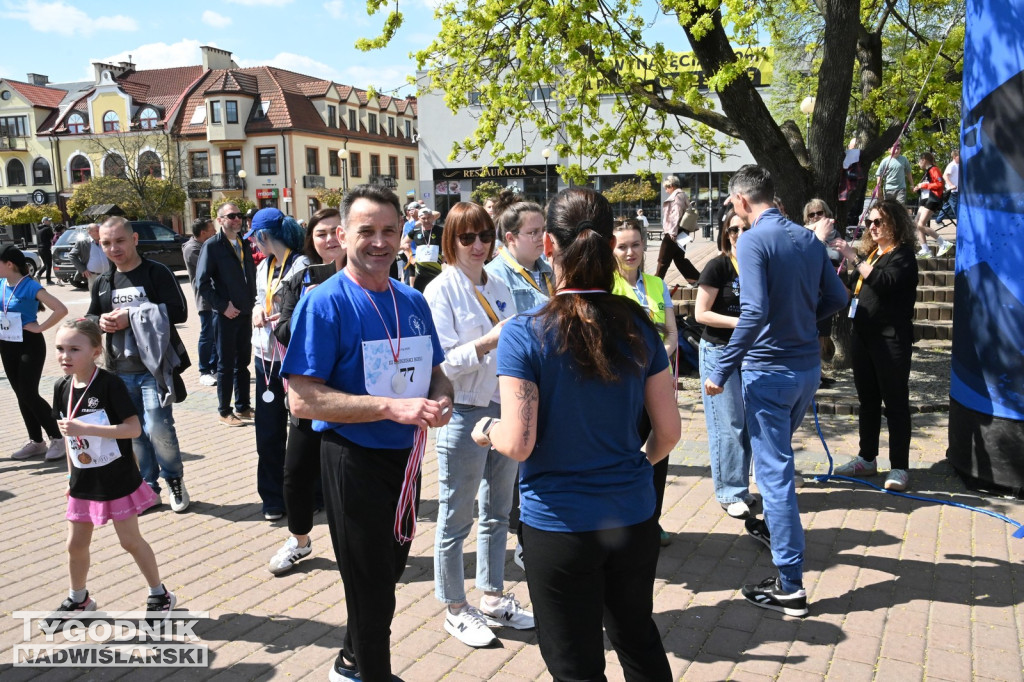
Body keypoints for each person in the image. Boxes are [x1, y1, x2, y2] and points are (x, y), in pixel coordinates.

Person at [475, 187, 679, 681]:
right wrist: (633, 466)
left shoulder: (524, 332)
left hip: (559, 525)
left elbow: (518, 441)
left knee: (575, 665)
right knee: (638, 639)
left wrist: (485, 431)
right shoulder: (639, 325)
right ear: (611, 247)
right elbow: (668, 433)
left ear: (548, 246)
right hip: (631, 516)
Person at [283, 184, 454, 682]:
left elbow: (436, 370)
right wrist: (388, 406)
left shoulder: (412, 299)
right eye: (366, 232)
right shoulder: (324, 303)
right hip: (351, 457)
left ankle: (349, 661)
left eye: (388, 231)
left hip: (406, 459)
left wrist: (440, 397)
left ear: (402, 235)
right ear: (341, 235)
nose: (378, 242)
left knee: (389, 572)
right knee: (370, 585)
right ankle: (373, 672)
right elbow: (302, 397)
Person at [704, 165, 847, 618]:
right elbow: (838, 298)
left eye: (733, 205)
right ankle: (783, 550)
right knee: (777, 465)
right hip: (805, 369)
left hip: (769, 372)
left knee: (775, 477)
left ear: (742, 201)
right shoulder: (807, 238)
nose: (734, 212)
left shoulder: (751, 240)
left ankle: (790, 585)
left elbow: (754, 313)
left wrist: (722, 369)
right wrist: (805, 324)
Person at [423, 202, 533, 648]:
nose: (478, 245)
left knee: (498, 512)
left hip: (501, 407)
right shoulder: (440, 290)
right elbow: (444, 364)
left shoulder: (501, 283)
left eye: (484, 236)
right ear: (451, 240)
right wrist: (489, 341)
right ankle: (454, 606)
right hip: (464, 410)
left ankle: (491, 595)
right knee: (456, 515)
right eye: (467, 237)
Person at [47, 318, 175, 619]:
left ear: (95, 351)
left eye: (74, 349)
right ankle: (79, 599)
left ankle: (160, 594)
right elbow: (69, 438)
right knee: (75, 544)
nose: (65, 356)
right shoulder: (61, 387)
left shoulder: (109, 384)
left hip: (117, 478)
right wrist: (69, 474)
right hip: (82, 478)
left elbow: (132, 429)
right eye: (60, 349)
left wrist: (87, 428)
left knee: (129, 541)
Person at [86, 217, 192, 513]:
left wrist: (131, 316)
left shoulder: (156, 272)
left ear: (134, 239)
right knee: (134, 432)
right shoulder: (104, 281)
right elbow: (91, 316)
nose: (113, 248)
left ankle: (173, 479)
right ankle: (148, 485)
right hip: (119, 370)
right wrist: (100, 322)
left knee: (158, 426)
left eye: (119, 241)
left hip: (154, 369)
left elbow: (180, 312)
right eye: (106, 243)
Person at [266, 208, 344, 575]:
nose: (329, 239)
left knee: (348, 479)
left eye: (335, 232)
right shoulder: (299, 279)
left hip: (352, 397)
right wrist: (310, 312)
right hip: (308, 395)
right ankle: (299, 540)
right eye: (321, 233)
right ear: (311, 240)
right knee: (295, 473)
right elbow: (281, 331)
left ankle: (356, 546)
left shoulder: (371, 275)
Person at [830, 200, 919, 491]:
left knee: (895, 403)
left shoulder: (903, 255)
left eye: (879, 221)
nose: (873, 227)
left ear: (895, 223)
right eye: (870, 222)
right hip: (864, 336)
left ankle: (899, 468)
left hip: (890, 339)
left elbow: (884, 283)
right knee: (867, 401)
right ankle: (867, 458)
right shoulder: (873, 253)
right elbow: (854, 290)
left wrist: (854, 259)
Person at [611, 217, 678, 546]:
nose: (629, 251)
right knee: (624, 450)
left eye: (635, 244)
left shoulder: (656, 285)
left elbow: (672, 335)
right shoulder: (607, 286)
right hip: (621, 386)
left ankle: (652, 520)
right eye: (622, 246)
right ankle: (623, 519)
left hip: (656, 382)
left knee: (658, 451)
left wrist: (655, 361)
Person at [694, 210, 761, 523]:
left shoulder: (759, 265)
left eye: (745, 228)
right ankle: (729, 492)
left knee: (748, 423)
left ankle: (740, 486)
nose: (739, 234)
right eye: (733, 230)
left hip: (751, 352)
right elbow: (701, 313)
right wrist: (742, 323)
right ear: (725, 234)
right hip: (719, 351)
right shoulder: (718, 266)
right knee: (728, 423)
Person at [246, 208, 309, 521]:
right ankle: (272, 498)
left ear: (264, 236)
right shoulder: (264, 266)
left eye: (254, 238)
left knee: (303, 432)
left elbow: (305, 310)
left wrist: (285, 316)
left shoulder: (301, 265)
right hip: (265, 358)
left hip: (295, 360)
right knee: (268, 432)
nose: (254, 245)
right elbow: (261, 298)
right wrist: (258, 310)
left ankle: (308, 495)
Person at [1, 243, 67, 460]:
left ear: (9, 264)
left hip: (29, 344)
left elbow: (61, 309)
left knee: (29, 393)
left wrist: (39, 328)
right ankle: (36, 442)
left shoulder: (30, 286)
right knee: (21, 395)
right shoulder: (1, 284)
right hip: (7, 344)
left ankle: (57, 438)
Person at [196, 203, 257, 428]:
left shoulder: (244, 243)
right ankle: (224, 410)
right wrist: (223, 307)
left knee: (243, 362)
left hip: (245, 312)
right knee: (225, 365)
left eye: (239, 216)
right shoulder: (212, 246)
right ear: (220, 220)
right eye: (231, 216)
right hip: (225, 315)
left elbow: (249, 275)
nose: (237, 219)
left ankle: (243, 406)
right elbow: (202, 283)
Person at [485, 190, 554, 314]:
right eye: (533, 232)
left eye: (543, 230)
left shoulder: (550, 271)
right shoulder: (493, 276)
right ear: (511, 238)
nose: (542, 236)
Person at [802, 199, 843, 386]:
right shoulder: (804, 235)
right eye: (811, 215)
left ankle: (817, 372)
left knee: (822, 334)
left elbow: (840, 258)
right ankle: (809, 373)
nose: (816, 217)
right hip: (809, 291)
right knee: (810, 331)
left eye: (819, 213)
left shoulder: (836, 235)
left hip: (827, 291)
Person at [182, 218, 219, 386]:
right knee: (207, 334)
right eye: (212, 230)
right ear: (203, 233)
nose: (215, 233)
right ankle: (204, 370)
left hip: (216, 298)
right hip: (205, 299)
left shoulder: (205, 246)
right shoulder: (192, 249)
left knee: (215, 334)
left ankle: (214, 367)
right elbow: (211, 268)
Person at [655, 174, 700, 283]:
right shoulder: (682, 195)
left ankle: (655, 283)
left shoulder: (677, 196)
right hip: (682, 232)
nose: (666, 190)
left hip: (674, 232)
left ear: (671, 185)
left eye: (666, 187)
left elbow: (676, 215)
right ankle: (696, 278)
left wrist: (672, 233)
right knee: (679, 259)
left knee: (663, 260)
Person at [912, 152, 954, 258]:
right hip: (925, 199)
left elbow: (940, 184)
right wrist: (919, 187)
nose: (918, 163)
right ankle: (925, 249)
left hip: (933, 199)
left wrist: (924, 185)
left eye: (919, 160)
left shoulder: (934, 169)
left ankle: (943, 243)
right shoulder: (927, 172)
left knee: (921, 224)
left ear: (924, 159)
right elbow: (928, 185)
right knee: (916, 222)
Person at [404, 206, 444, 292]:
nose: (426, 220)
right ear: (419, 218)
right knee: (420, 295)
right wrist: (410, 258)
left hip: (436, 271)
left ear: (433, 218)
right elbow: (404, 243)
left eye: (429, 217)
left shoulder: (440, 230)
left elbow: (451, 243)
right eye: (423, 218)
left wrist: (446, 256)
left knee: (436, 294)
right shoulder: (415, 230)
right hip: (420, 272)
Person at [68, 223, 108, 289]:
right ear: (90, 232)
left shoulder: (105, 241)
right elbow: (72, 255)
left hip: (107, 275)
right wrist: (82, 269)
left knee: (108, 297)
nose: (100, 232)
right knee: (95, 297)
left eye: (100, 230)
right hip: (93, 276)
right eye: (97, 231)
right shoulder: (83, 243)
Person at [934, 149, 960, 225]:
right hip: (952, 191)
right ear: (955, 156)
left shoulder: (959, 165)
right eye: (959, 156)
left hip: (956, 190)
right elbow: (945, 176)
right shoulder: (952, 165)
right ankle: (961, 222)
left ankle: (938, 220)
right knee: (955, 207)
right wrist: (951, 185)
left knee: (947, 206)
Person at [36, 216, 55, 285]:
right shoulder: (47, 229)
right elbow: (53, 237)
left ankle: (38, 274)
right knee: (49, 264)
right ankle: (48, 280)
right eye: (48, 221)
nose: (50, 222)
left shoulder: (38, 230)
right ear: (44, 222)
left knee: (46, 264)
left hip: (40, 249)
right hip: (46, 248)